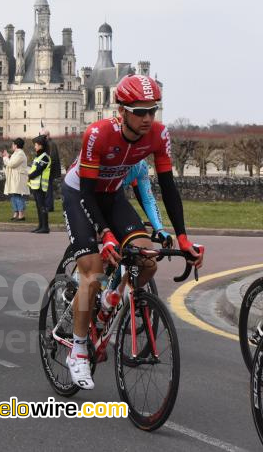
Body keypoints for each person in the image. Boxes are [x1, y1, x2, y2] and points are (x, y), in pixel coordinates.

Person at [61, 74, 204, 390]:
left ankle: (106, 307)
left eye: (152, 110)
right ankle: (79, 348)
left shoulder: (158, 135)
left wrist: (181, 236)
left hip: (112, 195)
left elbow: (167, 187)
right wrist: (105, 233)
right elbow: (86, 192)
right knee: (93, 272)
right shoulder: (98, 134)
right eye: (139, 111)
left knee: (148, 260)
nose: (147, 118)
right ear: (121, 110)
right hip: (81, 195)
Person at [0, 138, 29, 221]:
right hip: (14, 179)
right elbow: (11, 161)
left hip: (18, 179)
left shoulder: (20, 154)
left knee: (18, 196)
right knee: (13, 196)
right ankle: (16, 212)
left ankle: (21, 214)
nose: (12, 146)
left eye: (13, 144)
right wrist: (7, 156)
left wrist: (5, 157)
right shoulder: (16, 153)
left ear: (16, 145)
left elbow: (11, 164)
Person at [27, 135, 51, 233]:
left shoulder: (45, 157)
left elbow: (38, 170)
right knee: (39, 206)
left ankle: (45, 227)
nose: (35, 147)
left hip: (40, 185)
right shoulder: (39, 156)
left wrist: (29, 176)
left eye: (36, 145)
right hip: (35, 185)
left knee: (42, 206)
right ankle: (40, 226)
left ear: (41, 146)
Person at [40, 127, 60, 212]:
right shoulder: (47, 144)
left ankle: (49, 206)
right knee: (46, 188)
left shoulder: (51, 144)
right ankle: (47, 205)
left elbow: (52, 158)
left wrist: (46, 168)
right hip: (46, 170)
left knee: (48, 189)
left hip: (48, 170)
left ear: (47, 136)